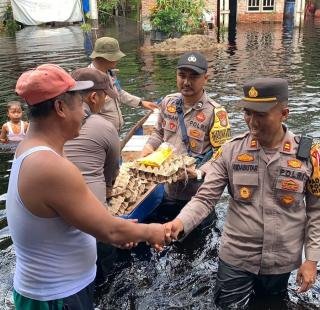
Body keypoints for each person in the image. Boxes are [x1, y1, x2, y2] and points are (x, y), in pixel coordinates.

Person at [6, 63, 166, 310]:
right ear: (60, 107)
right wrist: (151, 232)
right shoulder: (49, 166)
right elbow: (110, 231)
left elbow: (90, 221)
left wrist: (117, 230)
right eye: (79, 104)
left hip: (55, 291)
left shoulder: (32, 149)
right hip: (56, 297)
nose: (84, 112)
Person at [164, 78, 320, 309]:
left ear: (284, 113)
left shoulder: (310, 156)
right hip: (236, 256)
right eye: (248, 113)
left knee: (271, 304)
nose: (252, 122)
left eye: (261, 114)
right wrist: (180, 223)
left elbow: (315, 210)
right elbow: (206, 198)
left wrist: (312, 260)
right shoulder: (230, 151)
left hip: (281, 258)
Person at [141, 51, 231, 223]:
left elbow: (222, 154)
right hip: (168, 189)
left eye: (193, 77)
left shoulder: (215, 112)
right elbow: (159, 132)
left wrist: (197, 173)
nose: (186, 82)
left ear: (205, 78)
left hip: (198, 195)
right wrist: (147, 151)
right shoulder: (168, 102)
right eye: (182, 75)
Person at [64, 67, 119, 203]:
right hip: (93, 211)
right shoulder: (104, 127)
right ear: (93, 97)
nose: (104, 100)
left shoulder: (51, 123)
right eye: (105, 96)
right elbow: (111, 174)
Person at [89, 36, 158, 133]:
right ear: (105, 57)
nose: (118, 60)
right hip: (101, 134)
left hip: (114, 132)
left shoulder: (109, 73)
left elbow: (119, 93)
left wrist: (141, 103)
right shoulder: (89, 80)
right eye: (115, 56)